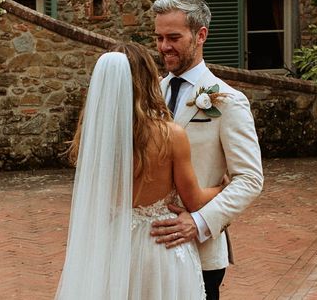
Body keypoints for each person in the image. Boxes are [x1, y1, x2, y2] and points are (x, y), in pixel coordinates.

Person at [55, 43, 224, 299]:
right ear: (146, 81)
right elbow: (194, 200)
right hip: (159, 248)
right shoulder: (170, 135)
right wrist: (222, 187)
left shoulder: (94, 139)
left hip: (112, 246)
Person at [151, 0, 264, 300]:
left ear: (200, 35)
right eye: (159, 38)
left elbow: (250, 179)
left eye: (173, 37)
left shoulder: (227, 100)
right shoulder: (152, 93)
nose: (164, 47)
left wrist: (199, 223)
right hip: (151, 247)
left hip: (200, 251)